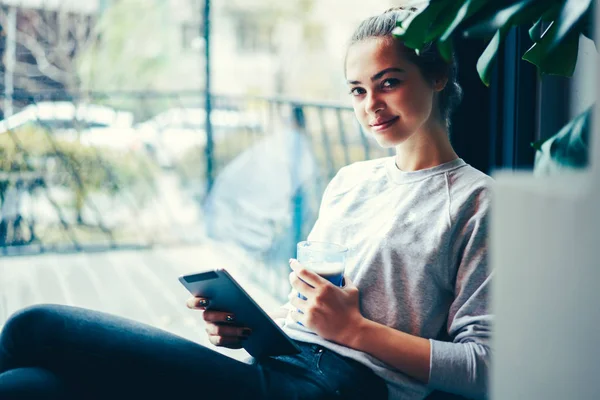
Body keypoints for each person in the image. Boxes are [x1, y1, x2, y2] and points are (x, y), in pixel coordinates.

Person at [0, 7, 492, 400]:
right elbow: (304, 310)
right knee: (31, 386)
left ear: (438, 75)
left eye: (389, 82)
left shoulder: (477, 202)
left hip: (343, 386)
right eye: (358, 91)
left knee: (33, 326)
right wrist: (247, 331)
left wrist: (356, 330)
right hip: (281, 361)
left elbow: (484, 367)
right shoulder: (349, 182)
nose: (370, 106)